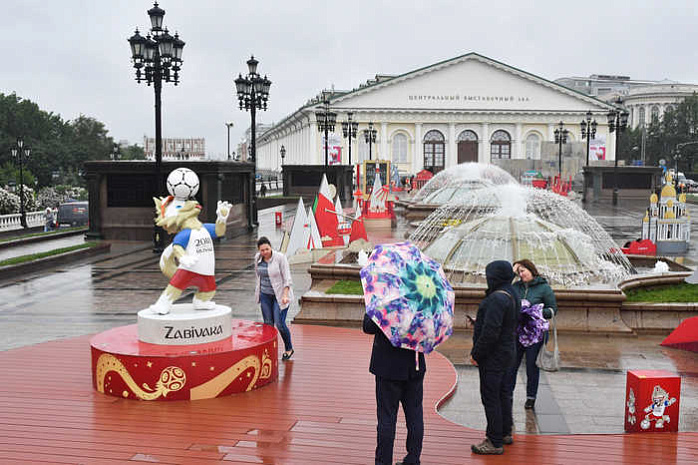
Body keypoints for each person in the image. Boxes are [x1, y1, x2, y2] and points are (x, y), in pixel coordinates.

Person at [470, 260, 520, 455]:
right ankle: (505, 432)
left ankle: (494, 440)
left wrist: (476, 354)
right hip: (508, 351)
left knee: (491, 397)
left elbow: (491, 332)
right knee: (503, 394)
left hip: (494, 356)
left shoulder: (497, 299)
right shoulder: (512, 292)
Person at [363, 313, 425, 465]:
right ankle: (413, 459)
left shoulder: (385, 299)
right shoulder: (422, 300)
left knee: (386, 418)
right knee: (415, 415)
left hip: (388, 366)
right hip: (414, 364)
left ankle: (383, 461)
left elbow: (368, 327)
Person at [505, 259, 557, 410]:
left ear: (531, 269)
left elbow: (553, 309)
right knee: (511, 365)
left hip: (536, 334)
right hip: (517, 332)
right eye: (518, 272)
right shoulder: (516, 286)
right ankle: (508, 394)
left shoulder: (544, 288)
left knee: (532, 366)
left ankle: (531, 397)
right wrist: (512, 272)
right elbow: (507, 294)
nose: (521, 275)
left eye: (523, 271)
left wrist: (536, 312)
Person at [254, 236, 294, 360]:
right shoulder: (257, 258)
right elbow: (258, 275)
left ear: (271, 247)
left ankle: (289, 348)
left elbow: (287, 278)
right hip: (265, 295)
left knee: (280, 323)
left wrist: (285, 295)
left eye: (267, 249)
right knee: (268, 325)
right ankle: (270, 350)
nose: (265, 252)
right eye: (262, 250)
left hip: (280, 296)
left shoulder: (280, 258)